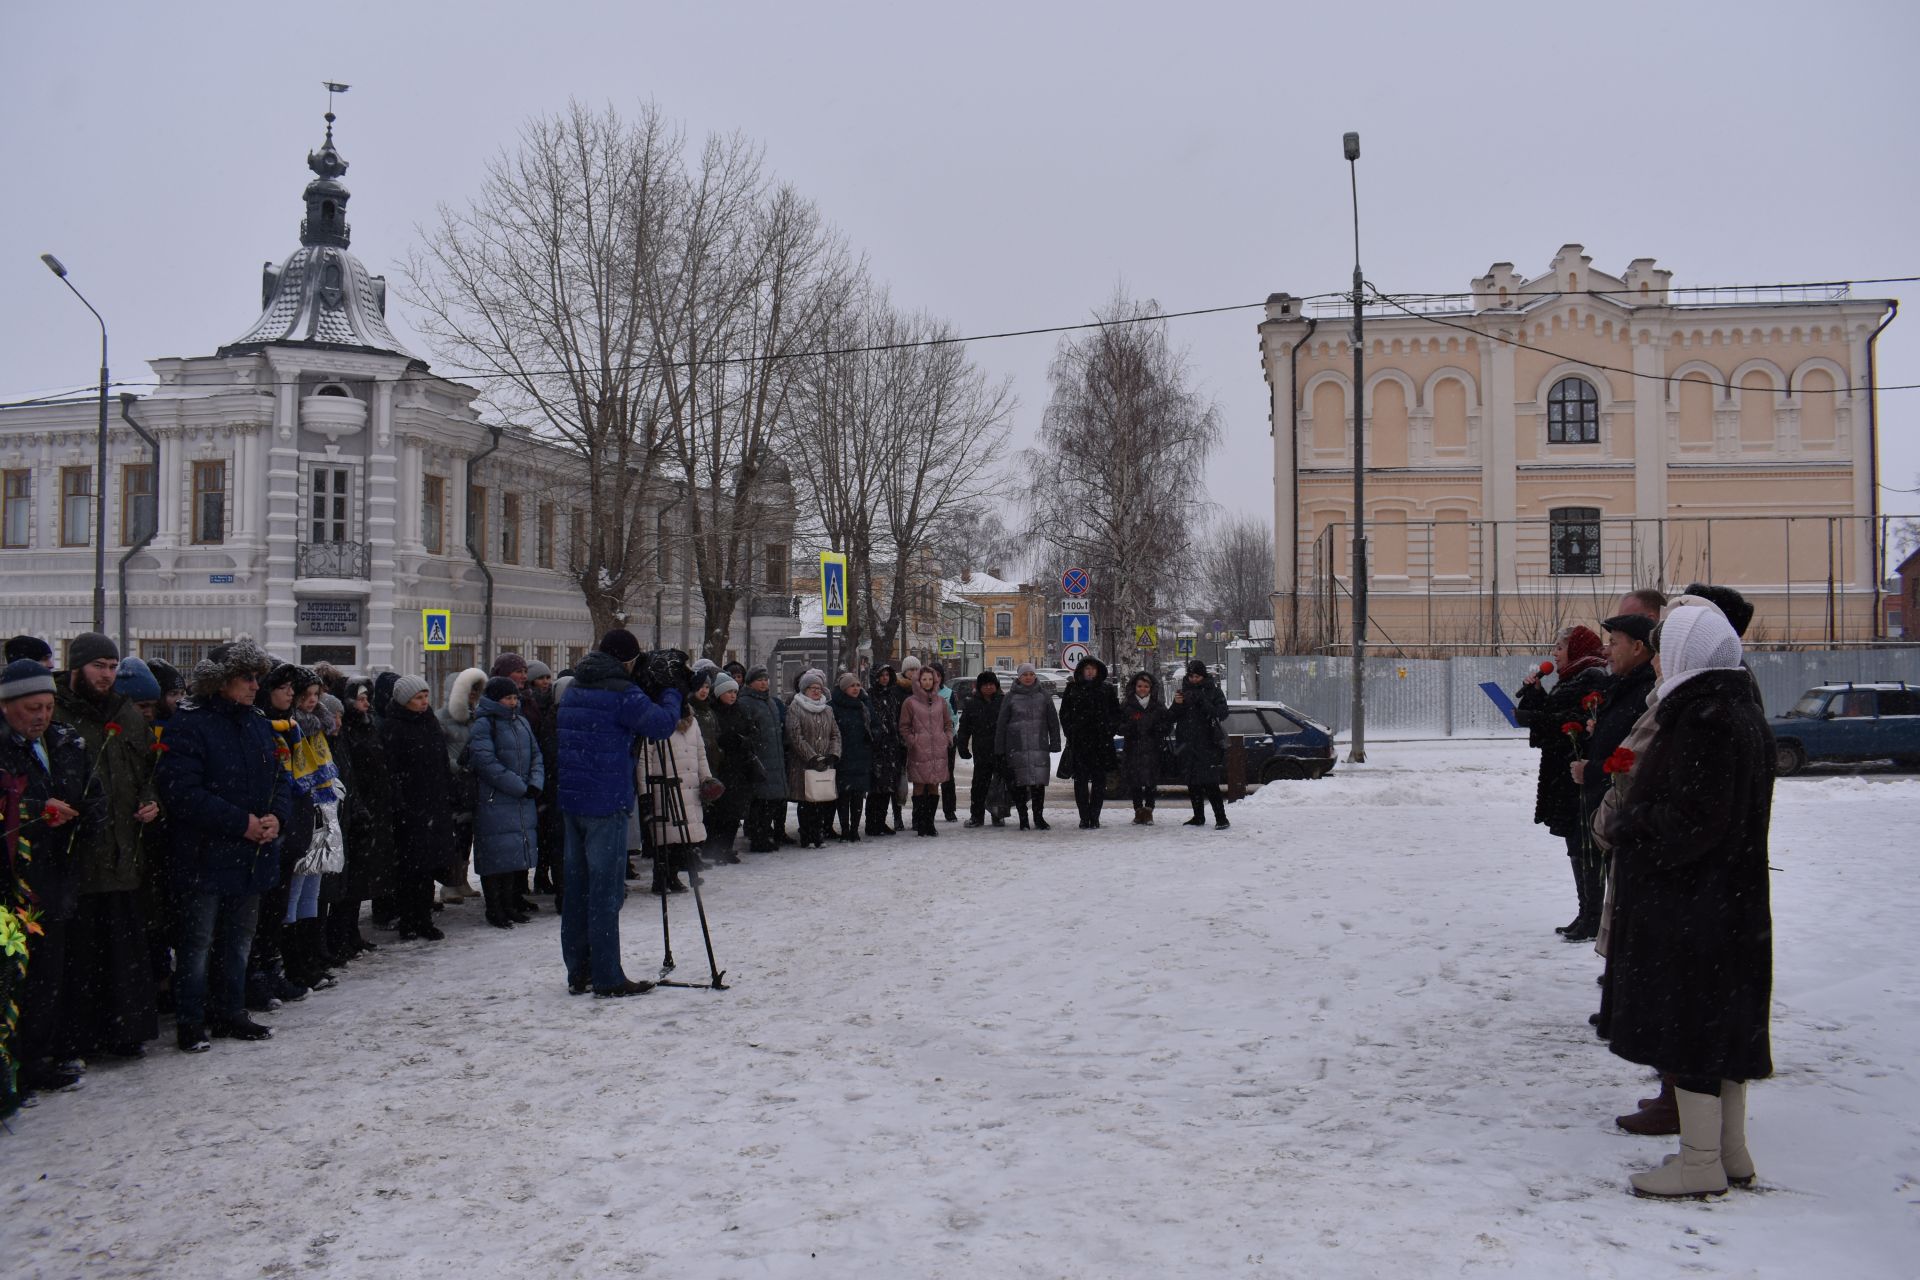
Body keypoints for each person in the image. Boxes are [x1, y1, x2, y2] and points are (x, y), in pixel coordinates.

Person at [1598, 604, 1775, 1199]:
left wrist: (1630, 824)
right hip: (1731, 901)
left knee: (1694, 1029)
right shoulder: (1739, 710)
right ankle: (1730, 1151)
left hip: (1692, 906)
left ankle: (1698, 1162)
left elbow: (1692, 819)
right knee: (1723, 1028)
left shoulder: (1703, 716)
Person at [157, 639, 290, 1050]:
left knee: (238, 940)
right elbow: (181, 792)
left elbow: (281, 778)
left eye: (257, 678)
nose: (255, 686)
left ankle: (230, 1011)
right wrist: (241, 823)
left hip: (251, 855)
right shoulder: (190, 723)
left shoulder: (257, 723)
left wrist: (276, 818)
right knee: (197, 944)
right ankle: (191, 1021)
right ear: (220, 682)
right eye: (246, 678)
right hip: (205, 856)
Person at [53, 632, 163, 1062]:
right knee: (79, 956)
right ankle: (78, 1039)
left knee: (123, 953)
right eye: (99, 665)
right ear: (77, 666)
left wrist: (152, 799)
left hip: (124, 856)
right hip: (78, 858)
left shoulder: (128, 714)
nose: (106, 674)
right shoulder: (57, 711)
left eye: (113, 666)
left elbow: (149, 768)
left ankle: (125, 1031)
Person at [554, 629, 680, 998]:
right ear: (627, 660)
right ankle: (608, 976)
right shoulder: (621, 692)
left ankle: (579, 970)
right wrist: (671, 691)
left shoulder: (575, 687)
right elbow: (660, 725)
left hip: (574, 800)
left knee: (577, 889)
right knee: (606, 892)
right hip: (606, 801)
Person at [3, 658, 94, 1092]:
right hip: (14, 883)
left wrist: (85, 813)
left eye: (47, 707)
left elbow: (86, 795)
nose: (41, 716)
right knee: (14, 976)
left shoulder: (63, 742)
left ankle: (37, 1059)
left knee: (47, 976)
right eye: (30, 708)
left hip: (57, 876)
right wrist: (37, 814)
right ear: (6, 707)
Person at [1514, 625, 1613, 940]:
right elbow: (1557, 714)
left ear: (1578, 648)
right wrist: (1535, 693)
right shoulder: (1571, 678)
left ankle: (1593, 916)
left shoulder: (1592, 677)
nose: (1554, 654)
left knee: (1585, 845)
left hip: (1580, 773)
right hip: (1564, 771)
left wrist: (1538, 718)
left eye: (1560, 647)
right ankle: (1586, 913)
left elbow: (1577, 722)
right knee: (1575, 843)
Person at [380, 675, 455, 942]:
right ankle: (408, 920)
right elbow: (391, 770)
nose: (424, 703)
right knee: (409, 869)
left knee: (428, 868)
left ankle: (424, 918)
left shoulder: (429, 721)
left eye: (425, 697)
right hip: (410, 808)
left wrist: (447, 792)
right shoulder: (393, 726)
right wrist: (401, 806)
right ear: (404, 701)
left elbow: (441, 760)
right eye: (418, 698)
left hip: (433, 804)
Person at [468, 675, 544, 929]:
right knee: (495, 857)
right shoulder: (484, 724)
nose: (512, 702)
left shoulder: (521, 722)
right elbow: (486, 762)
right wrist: (519, 786)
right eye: (507, 698)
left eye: (514, 697)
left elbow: (536, 755)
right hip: (495, 800)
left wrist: (535, 782)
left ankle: (511, 904)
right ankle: (495, 908)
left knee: (513, 855)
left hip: (520, 799)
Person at [332, 680, 392, 960]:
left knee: (361, 875)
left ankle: (351, 933)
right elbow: (351, 772)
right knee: (350, 877)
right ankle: (340, 933)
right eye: (361, 699)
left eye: (367, 698)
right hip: (356, 808)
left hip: (372, 808)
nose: (366, 703)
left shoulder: (368, 726)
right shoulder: (347, 732)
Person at [645, 693, 714, 894]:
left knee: (685, 836)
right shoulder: (656, 720)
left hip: (690, 785)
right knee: (664, 836)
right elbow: (645, 758)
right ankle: (660, 877)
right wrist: (645, 790)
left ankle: (674, 875)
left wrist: (707, 779)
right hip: (664, 785)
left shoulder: (692, 723)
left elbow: (700, 753)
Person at [436, 667, 487, 905]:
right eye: (470, 691)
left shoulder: (474, 718)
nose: (474, 696)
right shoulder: (442, 718)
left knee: (466, 833)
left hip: (470, 782)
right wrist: (457, 766)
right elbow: (438, 753)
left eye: (477, 691)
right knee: (454, 834)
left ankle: (462, 879)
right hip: (453, 784)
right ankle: (449, 884)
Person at [995, 663, 1061, 830]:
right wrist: (1000, 749)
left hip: (1039, 746)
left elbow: (1053, 721)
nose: (1028, 677)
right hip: (1016, 747)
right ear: (1019, 677)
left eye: (1031, 674)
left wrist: (1055, 742)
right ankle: (1023, 818)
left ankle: (1039, 818)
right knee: (1019, 785)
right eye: (1025, 674)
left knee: (1038, 784)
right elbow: (1001, 724)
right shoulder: (1010, 697)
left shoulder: (1044, 695)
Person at [1169, 659, 1232, 829]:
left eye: (1197, 676)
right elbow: (1171, 717)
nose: (1193, 679)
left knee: (1210, 782)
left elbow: (1222, 713)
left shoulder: (1214, 691)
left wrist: (1202, 700)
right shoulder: (1184, 692)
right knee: (1192, 782)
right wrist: (1177, 704)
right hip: (1187, 744)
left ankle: (1221, 818)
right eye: (1191, 676)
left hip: (1208, 744)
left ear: (1203, 676)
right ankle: (1198, 816)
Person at [1058, 656, 1120, 829]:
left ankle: (1095, 816)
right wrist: (1071, 732)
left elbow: (1116, 714)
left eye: (1093, 668)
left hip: (1101, 743)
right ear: (1081, 671)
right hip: (1080, 743)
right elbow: (1065, 714)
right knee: (1080, 782)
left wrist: (1109, 730)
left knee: (1099, 782)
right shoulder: (1072, 689)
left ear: (1098, 671)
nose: (1090, 671)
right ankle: (1084, 816)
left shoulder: (1106, 689)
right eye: (1087, 668)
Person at [784, 670, 842, 849]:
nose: (816, 691)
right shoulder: (795, 707)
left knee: (821, 800)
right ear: (804, 689)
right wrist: (812, 757)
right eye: (812, 688)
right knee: (806, 801)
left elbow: (835, 734)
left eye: (819, 688)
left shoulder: (827, 709)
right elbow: (795, 736)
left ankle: (818, 834)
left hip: (824, 762)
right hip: (803, 764)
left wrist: (833, 754)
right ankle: (806, 834)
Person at [703, 674, 755, 864]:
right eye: (728, 692)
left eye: (734, 691)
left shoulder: (739, 710)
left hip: (739, 767)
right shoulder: (714, 712)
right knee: (719, 810)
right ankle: (715, 848)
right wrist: (730, 739)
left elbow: (749, 732)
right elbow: (715, 738)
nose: (733, 695)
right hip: (722, 766)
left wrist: (744, 740)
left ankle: (727, 846)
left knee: (734, 810)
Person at [737, 666, 788, 854]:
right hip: (760, 759)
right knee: (759, 802)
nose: (764, 683)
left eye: (766, 679)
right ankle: (758, 837)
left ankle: (765, 834)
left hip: (774, 759)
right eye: (760, 680)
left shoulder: (771, 702)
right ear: (750, 682)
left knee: (770, 803)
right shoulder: (746, 702)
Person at [899, 665, 954, 837]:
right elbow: (904, 726)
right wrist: (912, 741)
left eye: (931, 679)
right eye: (924, 679)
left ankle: (930, 823)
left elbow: (948, 723)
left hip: (938, 750)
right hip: (919, 750)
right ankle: (920, 822)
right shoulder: (910, 702)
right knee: (919, 786)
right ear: (918, 681)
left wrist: (947, 738)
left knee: (933, 786)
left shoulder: (941, 701)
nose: (928, 682)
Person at [955, 669, 1007, 828]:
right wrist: (962, 747)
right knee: (979, 785)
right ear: (979, 687)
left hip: (1000, 750)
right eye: (985, 685)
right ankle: (977, 816)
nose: (989, 687)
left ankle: (998, 814)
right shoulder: (972, 703)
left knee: (998, 785)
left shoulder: (1003, 701)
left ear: (996, 686)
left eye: (992, 684)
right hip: (982, 751)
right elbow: (964, 728)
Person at [1118, 670, 1171, 824]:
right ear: (1134, 687)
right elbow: (1118, 726)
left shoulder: (1157, 706)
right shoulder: (1127, 705)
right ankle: (1138, 810)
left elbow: (1167, 725)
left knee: (1150, 782)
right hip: (1133, 748)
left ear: (1151, 688)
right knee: (1135, 782)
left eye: (1146, 687)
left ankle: (1148, 811)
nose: (1142, 689)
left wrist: (1157, 729)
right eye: (1140, 686)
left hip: (1152, 749)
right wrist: (1130, 726)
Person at [828, 673, 874, 843]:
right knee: (844, 795)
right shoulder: (833, 706)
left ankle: (855, 829)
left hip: (861, 755)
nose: (856, 688)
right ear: (843, 688)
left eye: (858, 685)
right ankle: (845, 829)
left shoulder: (863, 704)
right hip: (843, 756)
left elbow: (872, 725)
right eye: (852, 685)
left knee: (857, 795)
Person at [867, 664, 907, 836]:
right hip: (876, 748)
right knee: (876, 789)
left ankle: (881, 821)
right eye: (881, 675)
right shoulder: (869, 696)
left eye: (887, 675)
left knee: (887, 787)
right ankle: (872, 823)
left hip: (891, 747)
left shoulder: (892, 696)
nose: (885, 678)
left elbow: (896, 719)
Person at [930, 662, 959, 823]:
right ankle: (927, 810)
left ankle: (950, 810)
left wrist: (947, 734)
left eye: (937, 675)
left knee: (948, 776)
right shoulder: (920, 694)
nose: (934, 679)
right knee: (928, 777)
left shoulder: (949, 693)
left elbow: (954, 717)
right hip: (927, 741)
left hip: (946, 739)